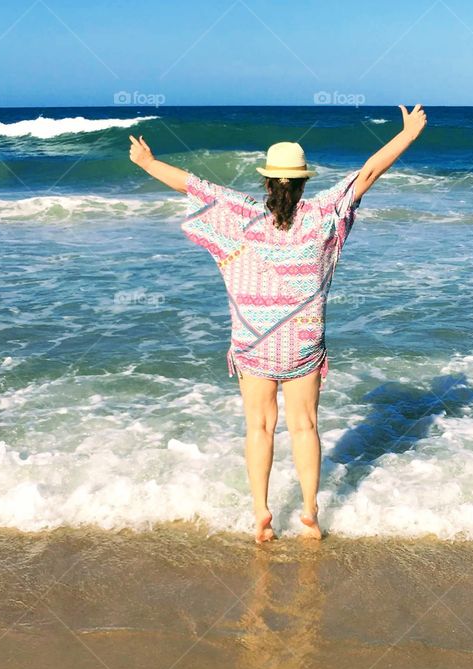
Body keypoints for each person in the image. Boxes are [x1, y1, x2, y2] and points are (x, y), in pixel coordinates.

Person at [128, 104, 428, 542]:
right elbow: (368, 173)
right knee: (304, 426)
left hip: (253, 343)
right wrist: (408, 134)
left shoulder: (241, 214)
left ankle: (261, 514)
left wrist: (147, 162)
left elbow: (190, 185)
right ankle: (309, 513)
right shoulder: (323, 214)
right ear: (303, 182)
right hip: (303, 344)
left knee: (260, 428)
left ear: (266, 181)